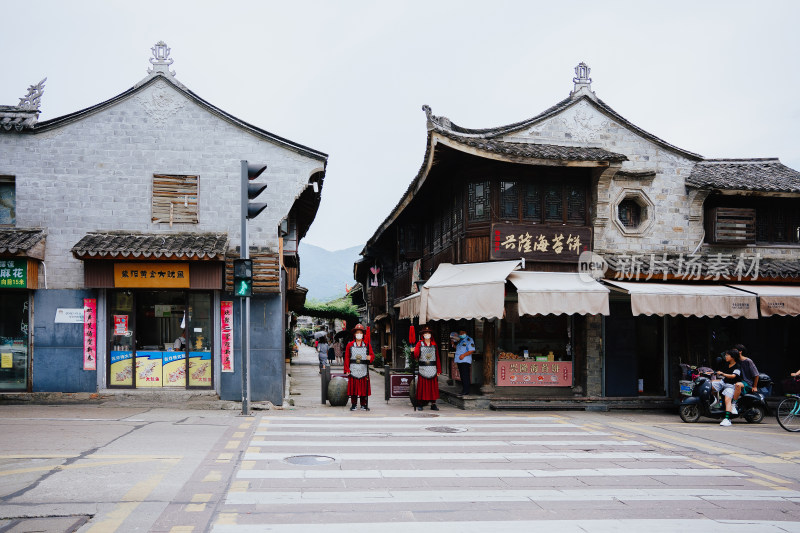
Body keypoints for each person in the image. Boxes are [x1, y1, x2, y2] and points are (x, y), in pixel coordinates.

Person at [344, 324, 374, 411]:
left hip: (363, 369)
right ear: (354, 334)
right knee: (353, 389)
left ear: (363, 334)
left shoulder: (367, 345)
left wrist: (370, 358)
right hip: (353, 369)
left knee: (363, 388)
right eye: (357, 333)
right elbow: (346, 358)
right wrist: (346, 369)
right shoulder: (350, 345)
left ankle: (363, 404)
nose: (359, 334)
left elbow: (372, 355)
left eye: (360, 333)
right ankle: (353, 404)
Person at [413, 325, 441, 411]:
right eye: (426, 333)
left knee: (432, 388)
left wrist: (439, 369)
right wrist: (414, 351)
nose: (427, 334)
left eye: (429, 333)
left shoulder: (434, 344)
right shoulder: (419, 343)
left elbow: (437, 357)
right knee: (422, 387)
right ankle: (420, 404)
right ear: (423, 335)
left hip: (432, 368)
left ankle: (433, 404)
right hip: (423, 368)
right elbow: (416, 355)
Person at [712, 349, 742, 427]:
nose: (726, 356)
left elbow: (733, 376)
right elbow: (720, 372)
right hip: (723, 382)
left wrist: (723, 374)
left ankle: (727, 419)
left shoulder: (737, 366)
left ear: (733, 357)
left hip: (731, 386)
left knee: (727, 400)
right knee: (710, 384)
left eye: (727, 355)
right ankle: (715, 400)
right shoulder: (726, 364)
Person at [453, 329, 475, 396]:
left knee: (465, 376)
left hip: (465, 361)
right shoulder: (460, 340)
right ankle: (464, 390)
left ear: (466, 332)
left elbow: (472, 350)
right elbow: (458, 348)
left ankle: (466, 391)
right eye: (460, 333)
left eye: (463, 332)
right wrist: (452, 345)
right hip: (459, 361)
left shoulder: (469, 340)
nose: (461, 334)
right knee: (462, 376)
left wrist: (463, 355)